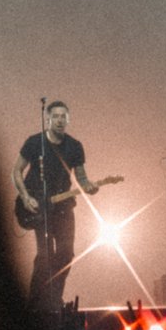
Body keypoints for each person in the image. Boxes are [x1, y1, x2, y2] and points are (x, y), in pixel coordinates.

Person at [14, 98, 106, 308]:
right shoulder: (34, 143)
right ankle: (34, 303)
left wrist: (89, 186)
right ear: (47, 119)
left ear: (68, 119)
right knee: (44, 256)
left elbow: (81, 178)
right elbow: (16, 171)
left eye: (63, 116)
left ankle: (52, 299)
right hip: (39, 205)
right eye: (55, 116)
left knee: (66, 254)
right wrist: (26, 197)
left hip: (64, 207)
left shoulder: (75, 146)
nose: (59, 120)